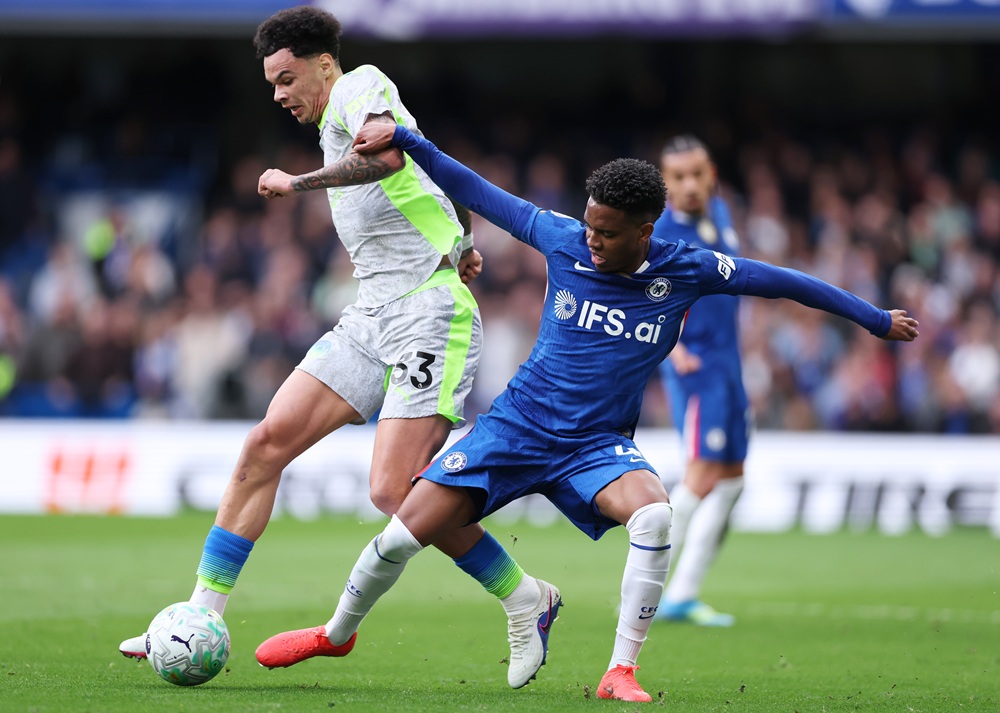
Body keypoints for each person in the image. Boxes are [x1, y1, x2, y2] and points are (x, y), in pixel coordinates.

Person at [251, 122, 919, 702]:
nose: (593, 240)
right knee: (401, 533)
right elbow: (478, 190)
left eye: (608, 232)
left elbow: (785, 282)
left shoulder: (688, 268)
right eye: (591, 224)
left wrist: (873, 317)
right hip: (516, 426)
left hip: (594, 445)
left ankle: (619, 668)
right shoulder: (562, 237)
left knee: (655, 510)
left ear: (645, 229)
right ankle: (335, 634)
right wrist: (408, 141)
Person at [118, 7, 560, 691]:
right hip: (370, 313)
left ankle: (525, 595)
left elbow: (388, 156)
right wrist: (464, 241)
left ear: (323, 62)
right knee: (266, 443)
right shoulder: (342, 115)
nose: (278, 94)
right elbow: (431, 172)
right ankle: (196, 615)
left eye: (285, 77)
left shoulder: (360, 87)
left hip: (428, 316)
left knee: (392, 490)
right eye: (270, 83)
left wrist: (297, 184)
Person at [651, 135, 745, 627]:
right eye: (678, 177)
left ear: (712, 175)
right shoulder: (660, 233)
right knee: (703, 474)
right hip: (697, 368)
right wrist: (674, 348)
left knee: (732, 481)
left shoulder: (719, 215)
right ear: (664, 184)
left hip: (729, 367)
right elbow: (641, 297)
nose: (689, 185)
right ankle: (645, 579)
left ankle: (683, 596)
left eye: (697, 174)